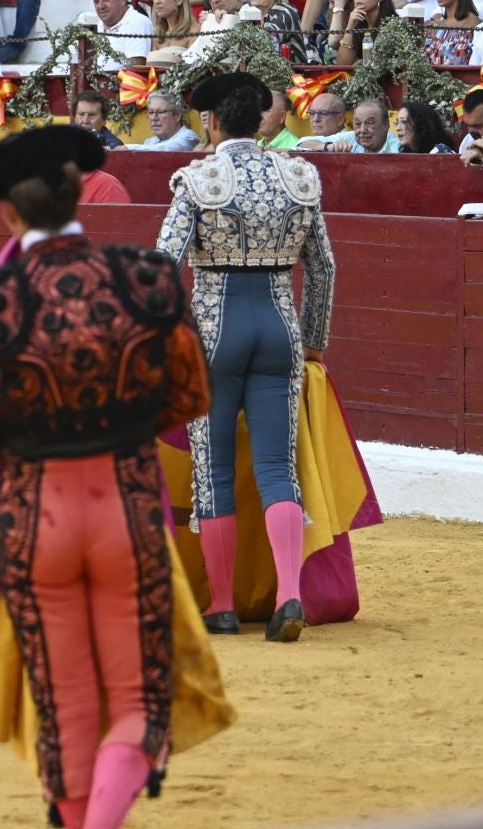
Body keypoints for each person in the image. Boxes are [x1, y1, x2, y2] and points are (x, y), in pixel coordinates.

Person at [0, 123, 212, 828]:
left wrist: (22, 438)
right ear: (81, 191)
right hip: (126, 509)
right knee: (139, 705)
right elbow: (192, 397)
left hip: (36, 516)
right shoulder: (146, 280)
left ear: (10, 214)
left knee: (68, 706)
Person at [156, 72, 334, 644]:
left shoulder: (198, 179)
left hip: (216, 330)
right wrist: (312, 340)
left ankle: (225, 606)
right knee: (278, 466)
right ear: (261, 119)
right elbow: (325, 267)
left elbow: (163, 266)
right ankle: (288, 594)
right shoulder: (300, 175)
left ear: (211, 122)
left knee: (215, 471)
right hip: (279, 325)